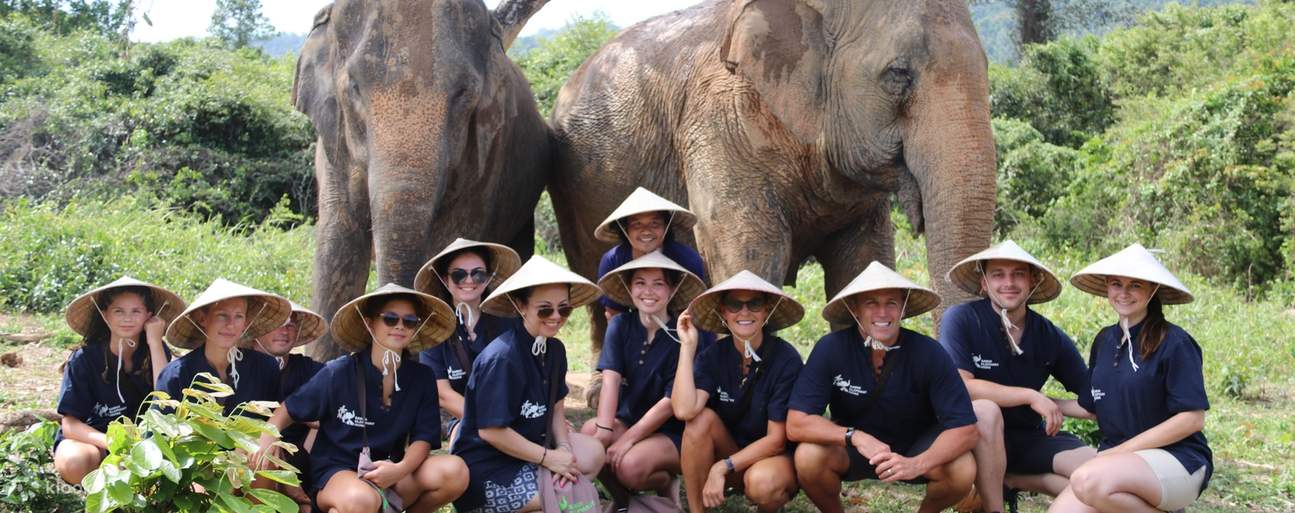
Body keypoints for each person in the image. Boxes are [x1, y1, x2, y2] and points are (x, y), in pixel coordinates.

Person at [257, 283, 468, 513]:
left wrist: (400, 469)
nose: (400, 326)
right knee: (361, 500)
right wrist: (267, 436)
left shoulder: (422, 377)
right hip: (339, 473)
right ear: (369, 323)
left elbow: (423, 438)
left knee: (455, 471)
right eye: (390, 319)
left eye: (409, 321)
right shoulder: (339, 372)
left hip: (391, 471)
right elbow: (289, 409)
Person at [788, 262, 977, 513]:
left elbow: (966, 429)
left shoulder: (929, 352)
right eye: (871, 303)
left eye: (891, 303)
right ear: (855, 308)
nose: (882, 312)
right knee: (808, 457)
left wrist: (917, 464)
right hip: (854, 450)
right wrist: (855, 437)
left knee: (962, 468)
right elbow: (796, 423)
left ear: (903, 307)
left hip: (915, 448)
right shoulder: (831, 348)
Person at [1048, 243, 1212, 513]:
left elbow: (1192, 419)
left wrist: (1119, 452)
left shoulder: (1175, 342)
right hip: (1115, 463)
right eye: (1116, 284)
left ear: (1152, 289)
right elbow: (1091, 407)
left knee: (1087, 480)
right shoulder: (1104, 340)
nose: (1123, 293)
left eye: (1135, 285)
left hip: (1177, 459)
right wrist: (1041, 400)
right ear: (1107, 287)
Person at [941, 241, 1096, 512]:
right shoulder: (962, 319)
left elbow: (1092, 400)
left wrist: (1048, 403)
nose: (1009, 283)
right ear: (984, 283)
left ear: (1033, 281)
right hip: (973, 439)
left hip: (1028, 438)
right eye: (998, 274)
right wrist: (1029, 396)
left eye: (1018, 274)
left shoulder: (1048, 335)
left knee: (1098, 473)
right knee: (987, 411)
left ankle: (1012, 480)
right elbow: (961, 387)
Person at [453, 256, 607, 513]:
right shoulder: (502, 358)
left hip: (532, 452)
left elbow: (556, 408)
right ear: (521, 305)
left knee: (593, 453)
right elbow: (491, 432)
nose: (556, 317)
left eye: (564, 309)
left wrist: (563, 450)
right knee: (571, 495)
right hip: (489, 469)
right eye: (545, 309)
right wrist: (550, 459)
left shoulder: (555, 350)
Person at [582, 251, 710, 509]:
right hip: (629, 417)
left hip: (674, 430)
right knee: (589, 435)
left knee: (629, 467)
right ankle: (623, 502)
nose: (648, 291)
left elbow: (670, 401)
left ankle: (665, 481)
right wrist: (604, 432)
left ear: (672, 290)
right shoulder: (620, 325)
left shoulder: (685, 334)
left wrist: (628, 439)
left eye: (658, 284)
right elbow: (610, 381)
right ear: (629, 288)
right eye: (640, 283)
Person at [670, 270, 803, 513]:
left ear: (766, 310)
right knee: (698, 421)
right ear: (723, 312)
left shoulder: (786, 359)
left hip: (772, 460)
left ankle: (768, 508)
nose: (744, 312)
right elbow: (684, 410)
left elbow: (776, 440)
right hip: (731, 451)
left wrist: (722, 466)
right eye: (734, 304)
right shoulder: (713, 356)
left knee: (762, 483)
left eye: (754, 304)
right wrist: (687, 347)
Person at [54, 276, 183, 484]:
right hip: (92, 440)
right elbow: (70, 424)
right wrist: (111, 442)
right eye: (119, 311)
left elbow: (164, 399)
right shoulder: (84, 359)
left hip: (142, 441)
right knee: (75, 461)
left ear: (149, 316)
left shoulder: (155, 351)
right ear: (105, 315)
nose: (127, 318)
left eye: (136, 311)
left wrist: (155, 341)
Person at [414, 238, 521, 444]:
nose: (469, 280)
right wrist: (488, 421)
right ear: (445, 279)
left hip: (513, 414)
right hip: (466, 418)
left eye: (478, 273)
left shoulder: (509, 321)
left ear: (488, 278)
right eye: (459, 274)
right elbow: (443, 394)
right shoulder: (434, 329)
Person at [158, 279, 290, 416]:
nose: (230, 325)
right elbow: (160, 425)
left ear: (245, 323)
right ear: (203, 319)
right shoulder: (177, 374)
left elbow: (274, 421)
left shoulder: (265, 367)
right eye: (222, 315)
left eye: (238, 316)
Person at [242, 301, 328, 508]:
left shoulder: (310, 370)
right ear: (258, 329)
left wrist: (303, 417)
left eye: (290, 325)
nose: (284, 331)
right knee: (266, 448)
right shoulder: (240, 367)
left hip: (303, 461)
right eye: (277, 324)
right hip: (250, 457)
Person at [594, 187, 708, 319]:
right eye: (637, 224)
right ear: (625, 229)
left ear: (666, 227)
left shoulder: (687, 259)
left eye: (655, 223)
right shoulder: (612, 261)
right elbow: (614, 312)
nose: (646, 231)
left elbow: (692, 311)